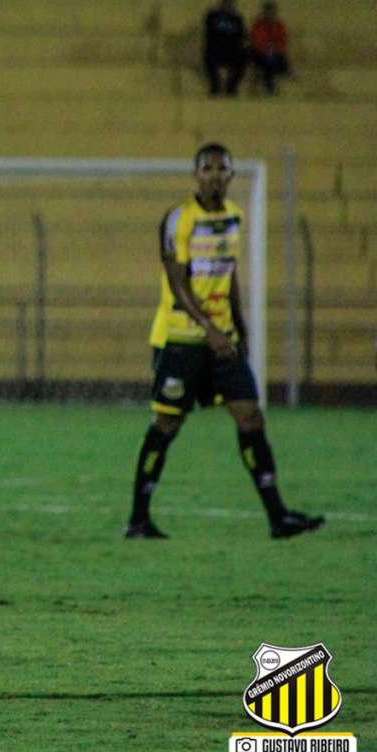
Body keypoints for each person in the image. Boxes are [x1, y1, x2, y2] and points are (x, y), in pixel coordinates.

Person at [126, 143, 324, 540]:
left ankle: (277, 517)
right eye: (207, 168)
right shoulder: (179, 219)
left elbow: (228, 274)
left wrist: (241, 329)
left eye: (222, 169)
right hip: (180, 341)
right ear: (196, 174)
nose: (215, 175)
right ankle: (139, 519)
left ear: (232, 175)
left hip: (223, 341)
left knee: (251, 416)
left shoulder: (235, 216)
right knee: (167, 423)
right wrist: (210, 329)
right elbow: (176, 281)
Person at [203, 0, 247, 96]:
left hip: (232, 50)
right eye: (225, 4)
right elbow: (208, 34)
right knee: (209, 58)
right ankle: (215, 85)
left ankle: (232, 86)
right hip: (215, 49)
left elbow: (242, 35)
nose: (227, 6)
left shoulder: (236, 18)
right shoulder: (212, 16)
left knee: (243, 59)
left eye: (230, 4)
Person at [249, 2, 290, 95]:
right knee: (267, 63)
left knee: (275, 62)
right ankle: (269, 89)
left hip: (276, 54)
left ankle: (274, 85)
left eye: (271, 12)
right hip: (260, 54)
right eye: (267, 12)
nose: (269, 15)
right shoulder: (258, 25)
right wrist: (266, 48)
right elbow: (255, 40)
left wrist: (275, 48)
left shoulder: (279, 25)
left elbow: (283, 41)